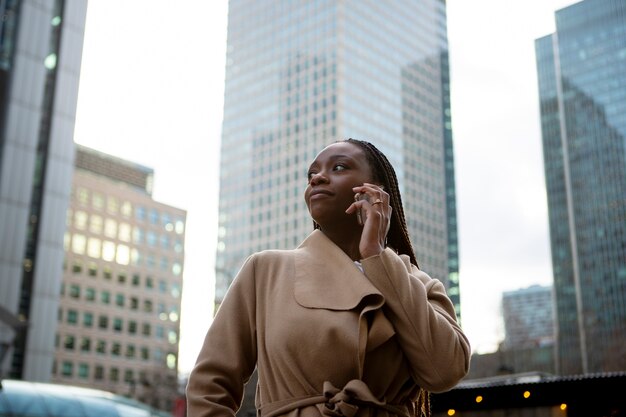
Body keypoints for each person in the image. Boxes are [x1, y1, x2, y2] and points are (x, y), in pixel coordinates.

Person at [186, 138, 470, 417]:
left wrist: (377, 256)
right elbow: (209, 386)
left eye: (339, 167)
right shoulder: (266, 271)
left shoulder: (422, 286)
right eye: (312, 173)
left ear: (376, 192)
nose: (317, 178)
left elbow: (444, 372)